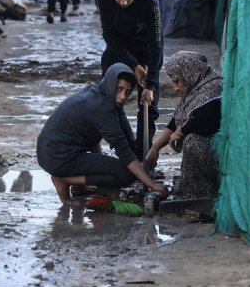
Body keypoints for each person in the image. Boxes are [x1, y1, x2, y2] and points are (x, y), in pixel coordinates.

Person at [37, 63, 167, 206]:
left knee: (108, 163)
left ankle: (78, 186)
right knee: (127, 174)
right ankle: (64, 180)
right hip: (58, 157)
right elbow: (123, 149)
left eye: (127, 91)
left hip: (48, 151)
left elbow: (102, 135)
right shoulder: (101, 108)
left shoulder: (97, 93)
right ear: (111, 85)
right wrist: (151, 184)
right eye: (119, 89)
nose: (123, 96)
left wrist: (102, 161)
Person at [98, 0, 163, 160]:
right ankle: (125, 151)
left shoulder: (149, 1)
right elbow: (109, 37)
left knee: (148, 104)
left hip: (145, 53)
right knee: (112, 101)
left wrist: (150, 83)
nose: (123, 2)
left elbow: (157, 43)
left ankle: (143, 155)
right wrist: (133, 66)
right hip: (117, 52)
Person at [145, 51, 222, 199]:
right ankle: (193, 188)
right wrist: (155, 148)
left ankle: (207, 194)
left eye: (176, 81)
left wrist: (181, 132)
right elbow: (178, 119)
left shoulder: (214, 87)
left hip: (221, 158)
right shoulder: (196, 86)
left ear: (189, 73)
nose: (175, 88)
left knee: (192, 142)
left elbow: (205, 121)